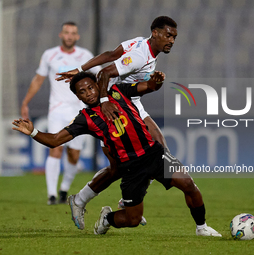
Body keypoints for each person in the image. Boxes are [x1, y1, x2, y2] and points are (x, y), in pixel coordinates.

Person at [12, 71, 222, 237]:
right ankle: (107, 218)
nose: (89, 93)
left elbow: (148, 86)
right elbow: (55, 140)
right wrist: (33, 132)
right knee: (131, 220)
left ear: (97, 85)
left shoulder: (117, 91)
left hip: (153, 154)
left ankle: (202, 227)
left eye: (91, 87)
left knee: (189, 185)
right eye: (82, 92)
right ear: (78, 97)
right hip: (131, 168)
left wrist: (156, 82)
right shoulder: (85, 119)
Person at [54, 16, 177, 222]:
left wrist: (82, 68)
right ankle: (80, 200)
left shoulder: (139, 41)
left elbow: (111, 54)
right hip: (115, 104)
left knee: (159, 150)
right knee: (117, 168)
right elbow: (107, 70)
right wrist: (104, 100)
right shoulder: (140, 54)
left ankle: (127, 201)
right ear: (155, 33)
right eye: (168, 35)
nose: (172, 40)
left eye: (174, 36)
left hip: (132, 102)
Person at [20, 21, 101, 205]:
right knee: (55, 149)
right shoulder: (50, 55)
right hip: (57, 109)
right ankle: (51, 195)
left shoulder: (85, 55)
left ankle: (64, 189)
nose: (70, 36)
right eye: (67, 32)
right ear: (61, 35)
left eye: (73, 33)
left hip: (79, 111)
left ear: (77, 36)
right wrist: (25, 102)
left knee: (74, 154)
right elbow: (38, 80)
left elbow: (100, 76)